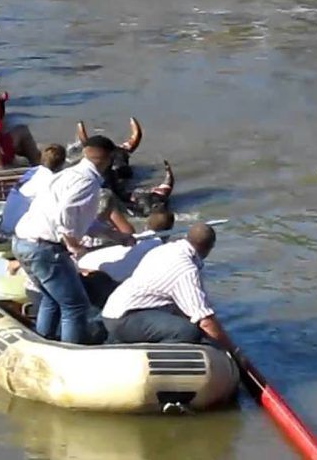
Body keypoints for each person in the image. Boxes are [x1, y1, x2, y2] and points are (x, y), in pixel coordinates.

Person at [13, 135, 122, 344]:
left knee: (52, 298)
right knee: (76, 305)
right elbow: (65, 213)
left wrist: (115, 235)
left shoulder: (67, 174)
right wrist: (72, 243)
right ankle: (70, 349)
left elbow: (82, 221)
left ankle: (44, 340)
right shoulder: (88, 182)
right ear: (107, 160)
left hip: (24, 241)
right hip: (44, 248)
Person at [101, 222, 238, 351]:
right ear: (209, 248)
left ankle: (116, 341)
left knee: (182, 322)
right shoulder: (186, 269)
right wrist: (233, 351)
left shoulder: (165, 250)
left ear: (187, 237)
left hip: (113, 311)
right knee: (187, 332)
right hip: (125, 318)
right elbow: (205, 321)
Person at [76, 211, 176, 308]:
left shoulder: (127, 239)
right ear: (170, 231)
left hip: (82, 268)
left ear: (146, 225)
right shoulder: (161, 250)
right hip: (109, 281)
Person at [0, 144, 68, 234]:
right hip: (18, 230)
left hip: (5, 224)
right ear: (62, 163)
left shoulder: (32, 172)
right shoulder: (52, 181)